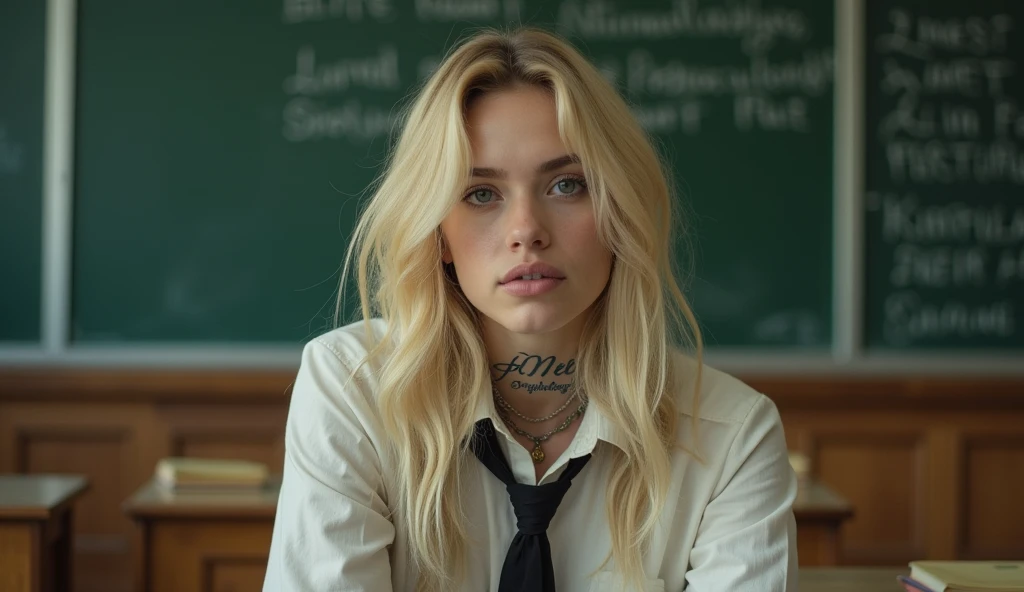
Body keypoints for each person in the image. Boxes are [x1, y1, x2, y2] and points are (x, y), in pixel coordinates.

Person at [263, 26, 797, 592]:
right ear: (438, 232)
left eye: (567, 185)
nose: (526, 232)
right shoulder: (353, 388)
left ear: (619, 214)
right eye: (481, 194)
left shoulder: (734, 435)